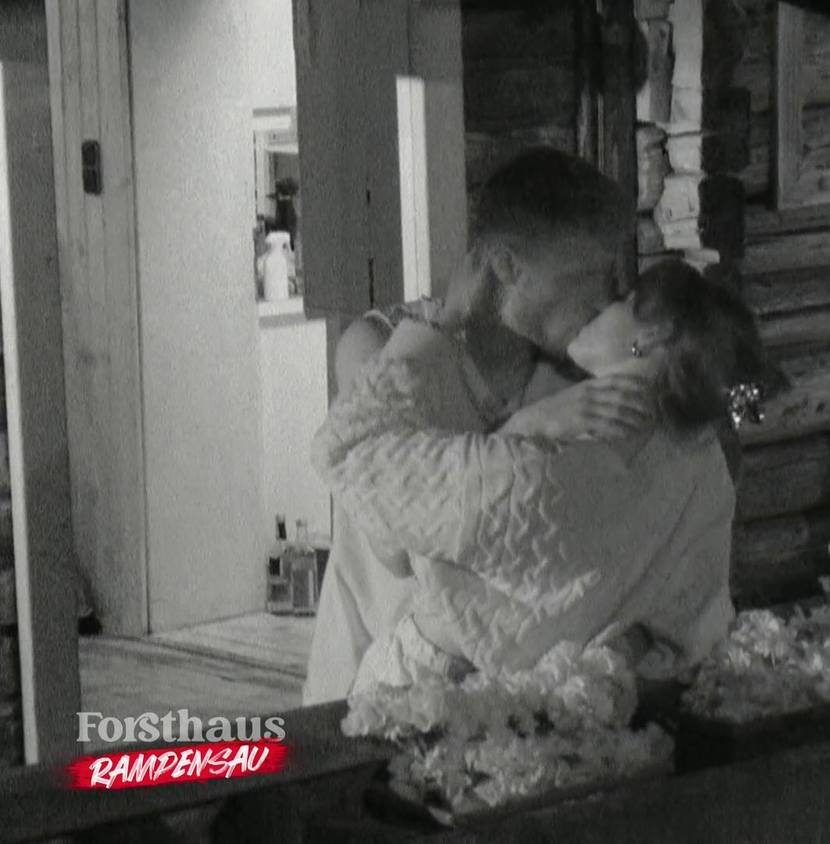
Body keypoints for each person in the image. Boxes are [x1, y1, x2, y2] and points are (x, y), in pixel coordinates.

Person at [311, 259, 782, 691]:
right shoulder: (700, 460)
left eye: (620, 301)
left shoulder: (548, 469)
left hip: (430, 688)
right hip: (574, 694)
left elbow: (353, 455)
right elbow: (694, 612)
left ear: (655, 333)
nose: (597, 306)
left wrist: (525, 422)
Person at [302, 147, 650, 705]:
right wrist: (534, 423)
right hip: (378, 683)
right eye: (585, 275)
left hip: (502, 698)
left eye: (613, 275)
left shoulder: (568, 374)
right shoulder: (381, 347)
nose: (604, 299)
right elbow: (397, 546)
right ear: (508, 266)